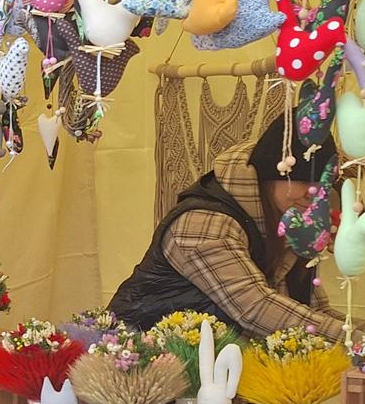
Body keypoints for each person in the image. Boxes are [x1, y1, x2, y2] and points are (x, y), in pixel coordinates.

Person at [107, 115, 347, 341]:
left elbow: (314, 309)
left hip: (215, 359)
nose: (314, 193)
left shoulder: (287, 219)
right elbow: (256, 308)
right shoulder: (203, 224)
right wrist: (353, 340)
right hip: (140, 356)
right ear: (268, 174)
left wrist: (364, 335)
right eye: (304, 180)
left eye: (323, 183)